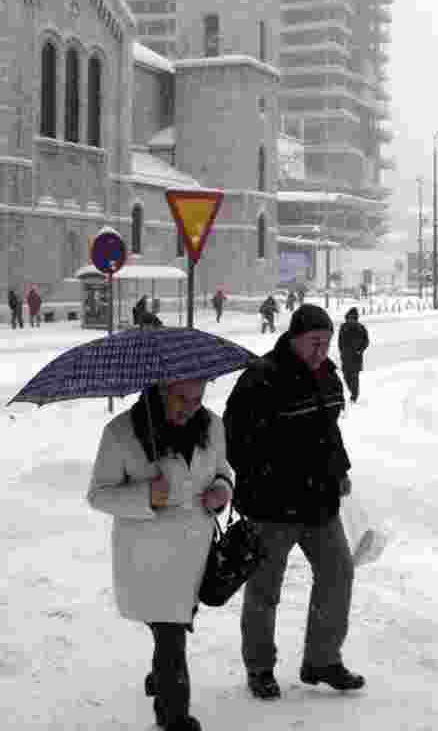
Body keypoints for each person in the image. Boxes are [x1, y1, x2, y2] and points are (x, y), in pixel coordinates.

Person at [223, 304, 364, 701]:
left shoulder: (327, 375)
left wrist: (339, 470)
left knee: (339, 572)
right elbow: (234, 441)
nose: (322, 351)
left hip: (319, 500)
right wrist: (272, 469)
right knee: (265, 589)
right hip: (272, 505)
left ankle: (322, 659)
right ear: (295, 338)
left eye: (327, 343)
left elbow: (328, 431)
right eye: (315, 343)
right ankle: (260, 667)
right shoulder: (261, 378)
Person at [87, 379, 234, 731]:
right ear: (158, 391)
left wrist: (221, 490)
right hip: (149, 553)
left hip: (195, 549)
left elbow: (222, 471)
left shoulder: (212, 425)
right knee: (171, 632)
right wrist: (146, 496)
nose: (191, 406)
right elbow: (99, 494)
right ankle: (173, 713)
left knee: (174, 623)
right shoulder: (121, 433)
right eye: (181, 398)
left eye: (198, 398)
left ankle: (160, 674)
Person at [338, 308, 369, 404]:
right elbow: (340, 341)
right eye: (349, 317)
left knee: (354, 376)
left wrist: (360, 350)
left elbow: (366, 341)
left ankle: (354, 396)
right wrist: (342, 352)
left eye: (352, 317)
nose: (350, 319)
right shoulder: (343, 326)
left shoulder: (361, 327)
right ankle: (353, 393)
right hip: (346, 356)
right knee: (346, 376)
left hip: (356, 357)